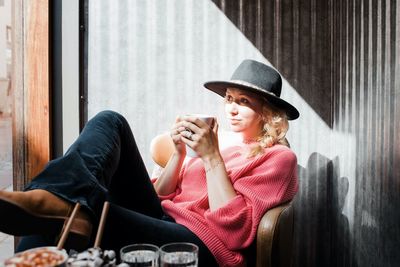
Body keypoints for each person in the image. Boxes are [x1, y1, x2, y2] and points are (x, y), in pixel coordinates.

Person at [0, 59, 299, 267]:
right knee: (110, 121)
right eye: (230, 99)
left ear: (268, 112)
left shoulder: (277, 158)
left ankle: (54, 206)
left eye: (244, 102)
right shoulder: (215, 143)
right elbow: (161, 197)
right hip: (161, 219)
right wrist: (179, 154)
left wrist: (211, 157)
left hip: (204, 244)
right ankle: (54, 201)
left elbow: (234, 233)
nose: (231, 108)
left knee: (80, 210)